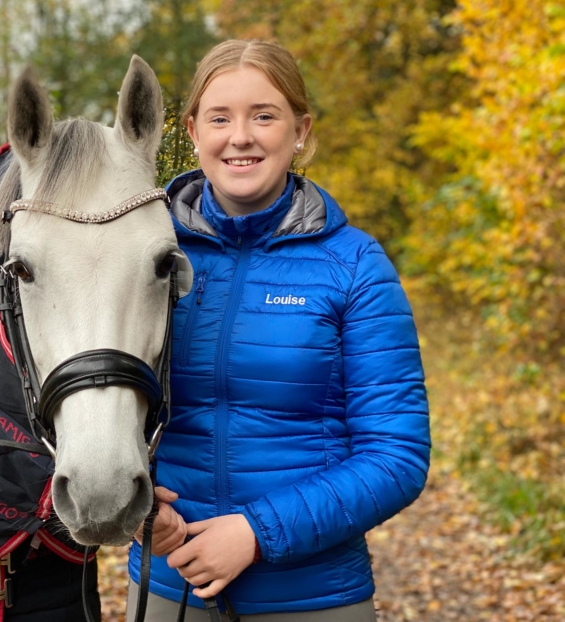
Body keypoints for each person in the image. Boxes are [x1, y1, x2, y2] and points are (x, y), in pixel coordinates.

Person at [125, 39, 430, 621]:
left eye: (264, 116)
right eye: (220, 118)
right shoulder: (144, 254)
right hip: (168, 591)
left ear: (300, 131)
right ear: (191, 131)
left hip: (312, 599)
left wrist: (255, 533)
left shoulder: (355, 266)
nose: (241, 137)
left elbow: (397, 455)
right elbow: (96, 402)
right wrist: (136, 509)